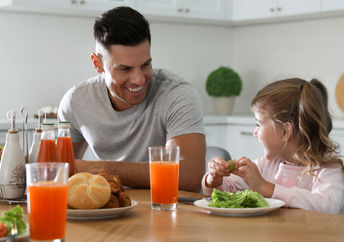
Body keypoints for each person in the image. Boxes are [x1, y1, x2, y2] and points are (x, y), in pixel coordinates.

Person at [58, 6, 206, 192]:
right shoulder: (76, 102)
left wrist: (102, 169)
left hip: (166, 209)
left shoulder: (177, 94)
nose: (138, 79)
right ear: (98, 64)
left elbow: (189, 176)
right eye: (125, 69)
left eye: (145, 65)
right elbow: (61, 172)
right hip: (108, 208)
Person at [202, 78, 344, 214]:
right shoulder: (267, 165)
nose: (255, 132)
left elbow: (327, 206)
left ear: (285, 131)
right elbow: (229, 191)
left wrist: (266, 188)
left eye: (259, 124)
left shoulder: (327, 166)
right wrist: (214, 180)